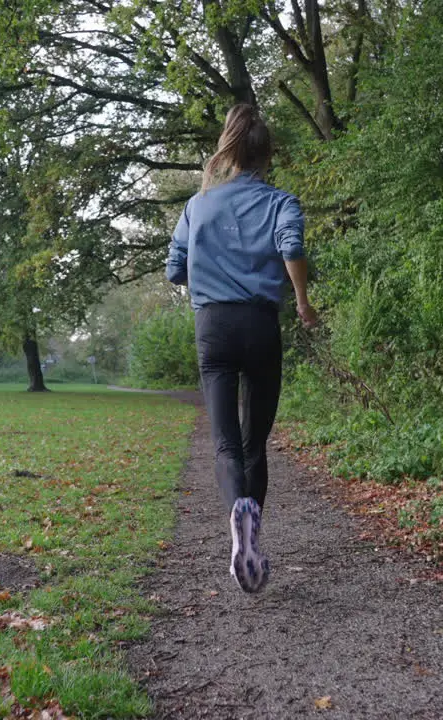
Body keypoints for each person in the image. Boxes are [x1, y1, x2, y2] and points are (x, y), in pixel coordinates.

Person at [166, 103, 319, 594]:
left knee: (225, 443)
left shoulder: (197, 206)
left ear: (229, 152)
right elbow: (291, 248)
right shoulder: (281, 202)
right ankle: (253, 527)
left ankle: (238, 510)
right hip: (259, 324)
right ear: (266, 155)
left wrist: (207, 275)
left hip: (212, 327)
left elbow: (175, 268)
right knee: (255, 444)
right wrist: (302, 302)